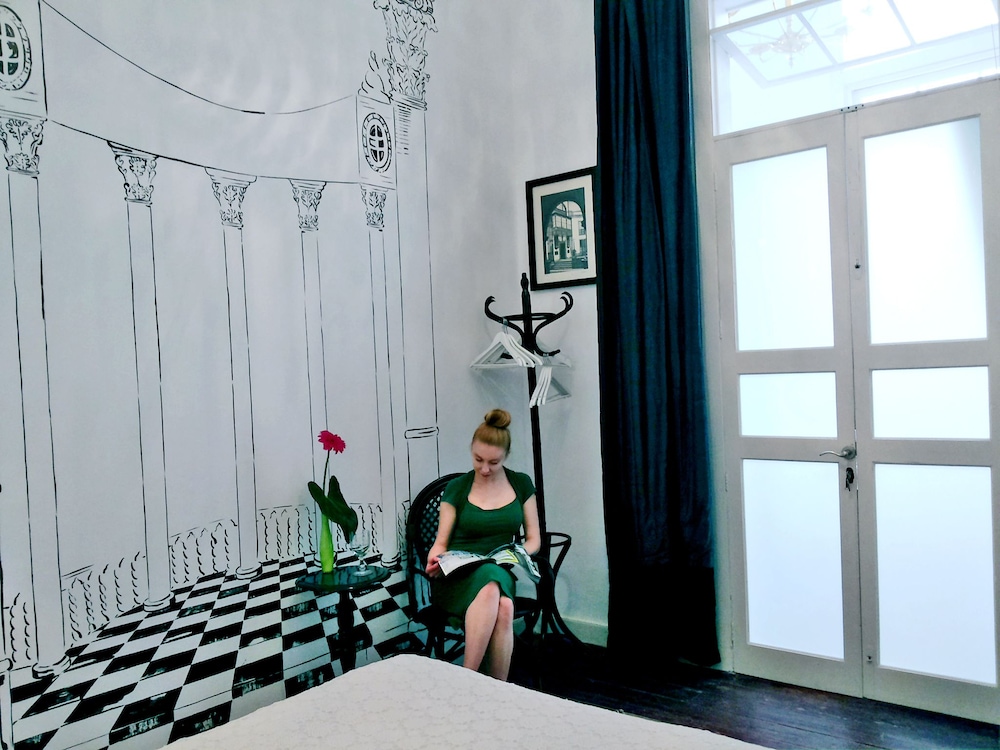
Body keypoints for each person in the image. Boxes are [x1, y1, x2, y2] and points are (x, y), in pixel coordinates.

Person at [425, 408, 541, 680]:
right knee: (501, 601)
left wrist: (518, 553)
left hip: (499, 569)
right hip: (458, 577)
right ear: (471, 451)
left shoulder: (521, 484)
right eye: (478, 460)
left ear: (506, 456)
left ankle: (482, 685)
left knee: (498, 592)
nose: (485, 469)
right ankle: (472, 681)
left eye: (493, 462)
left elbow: (534, 539)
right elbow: (441, 542)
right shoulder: (457, 487)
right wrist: (434, 558)